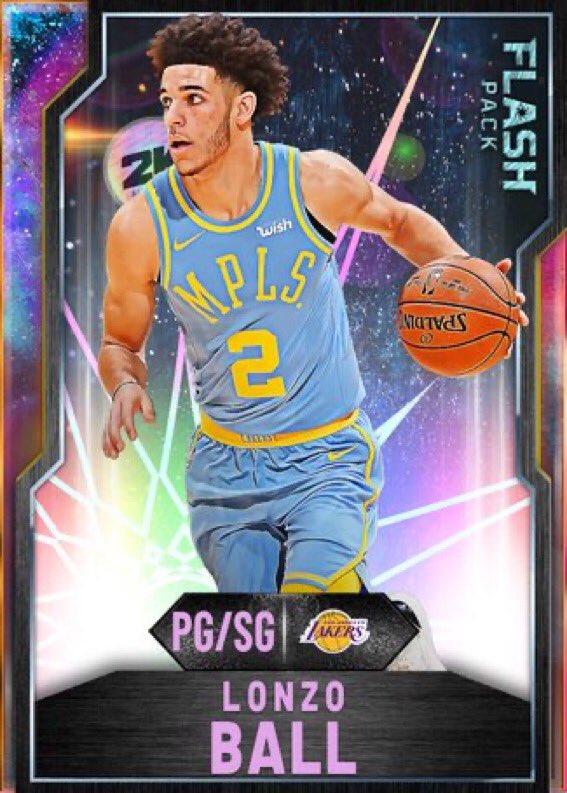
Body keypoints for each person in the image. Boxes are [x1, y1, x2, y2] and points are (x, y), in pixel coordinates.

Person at [99, 14, 527, 600]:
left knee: (309, 610)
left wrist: (466, 271)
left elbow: (398, 222)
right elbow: (119, 343)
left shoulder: (310, 181)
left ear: (242, 109)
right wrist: (124, 384)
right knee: (256, 630)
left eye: (193, 99)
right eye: (168, 100)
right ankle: (376, 638)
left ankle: (359, 628)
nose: (173, 116)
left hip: (327, 456)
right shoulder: (141, 226)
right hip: (226, 467)